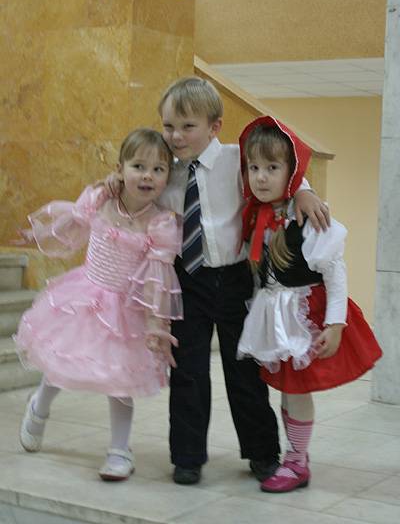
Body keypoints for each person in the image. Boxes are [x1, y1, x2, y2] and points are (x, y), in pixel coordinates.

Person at [106, 76, 330, 485]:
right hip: (187, 281)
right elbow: (137, 186)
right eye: (169, 125)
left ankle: (263, 452)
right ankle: (187, 457)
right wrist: (115, 182)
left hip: (235, 278)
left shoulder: (236, 159)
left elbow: (278, 170)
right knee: (188, 372)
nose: (176, 135)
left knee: (244, 370)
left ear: (215, 126)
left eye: (187, 126)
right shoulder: (166, 171)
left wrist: (304, 191)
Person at [13, 128, 183, 482]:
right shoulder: (101, 199)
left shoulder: (161, 223)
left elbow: (158, 278)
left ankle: (120, 450)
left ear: (167, 177)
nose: (147, 176)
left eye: (158, 169)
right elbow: (72, 226)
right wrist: (100, 190)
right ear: (120, 169)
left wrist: (157, 323)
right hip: (84, 298)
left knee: (119, 382)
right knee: (61, 362)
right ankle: (39, 407)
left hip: (127, 312)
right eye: (138, 166)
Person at [237, 116, 383, 493]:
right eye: (254, 168)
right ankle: (295, 456)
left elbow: (335, 274)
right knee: (288, 389)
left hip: (303, 315)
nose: (261, 178)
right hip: (273, 313)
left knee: (297, 389)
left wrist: (335, 324)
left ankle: (297, 461)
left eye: (272, 168)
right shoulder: (257, 214)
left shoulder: (309, 217)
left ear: (292, 172)